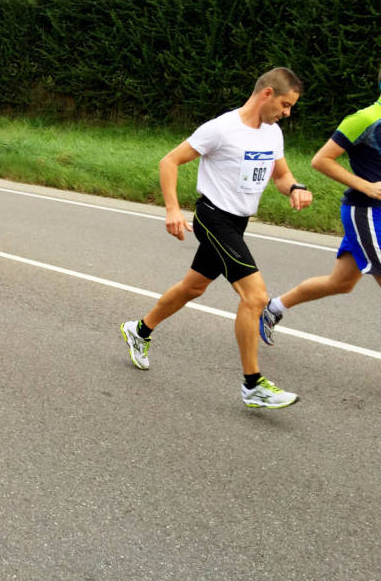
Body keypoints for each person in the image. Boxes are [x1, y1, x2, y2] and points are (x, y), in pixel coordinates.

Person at [118, 67, 313, 409]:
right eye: (285, 104)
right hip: (213, 217)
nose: (287, 112)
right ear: (266, 94)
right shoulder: (221, 129)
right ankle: (253, 385)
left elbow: (281, 176)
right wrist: (172, 209)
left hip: (238, 223)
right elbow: (170, 161)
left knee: (193, 287)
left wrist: (294, 188)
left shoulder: (272, 133)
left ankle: (140, 330)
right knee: (256, 297)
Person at [259, 69, 381, 345]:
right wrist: (367, 186)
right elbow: (321, 160)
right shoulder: (364, 119)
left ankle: (273, 309)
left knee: (341, 282)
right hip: (365, 212)